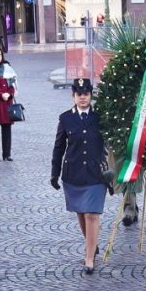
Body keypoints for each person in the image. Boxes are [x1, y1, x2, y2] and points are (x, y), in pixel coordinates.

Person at [50, 77, 109, 273]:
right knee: (82, 213)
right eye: (79, 94)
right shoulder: (65, 118)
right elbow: (59, 147)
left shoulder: (101, 117)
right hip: (73, 173)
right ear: (73, 96)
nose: (82, 97)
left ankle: (89, 256)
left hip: (96, 173)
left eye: (86, 94)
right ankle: (92, 243)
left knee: (92, 214)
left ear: (91, 95)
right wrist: (54, 173)